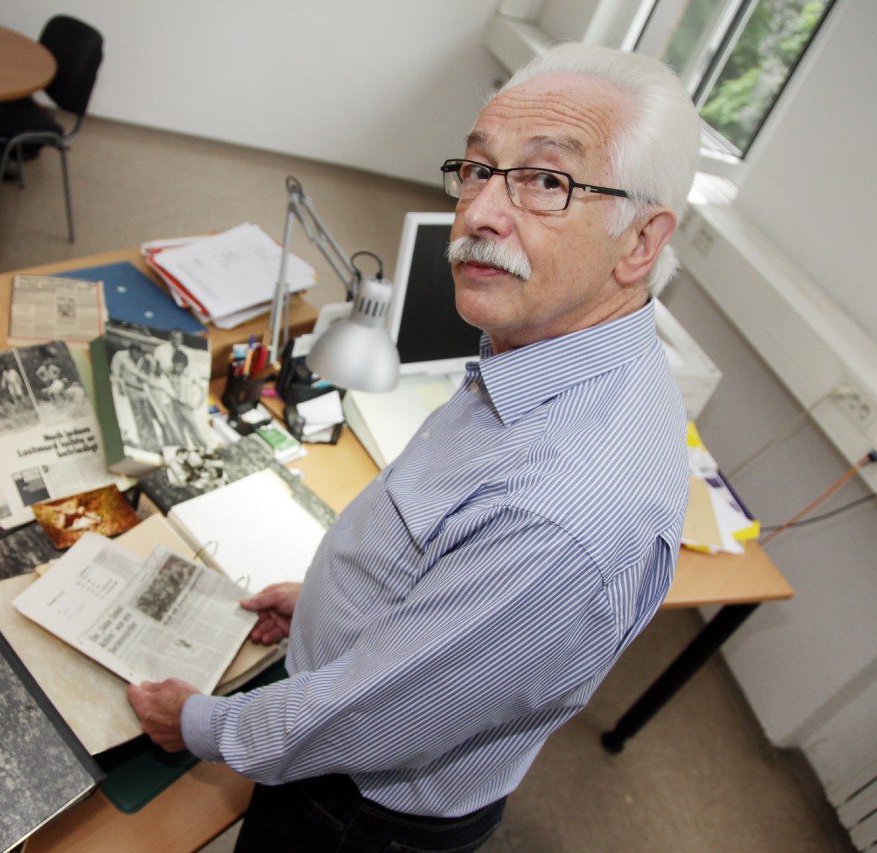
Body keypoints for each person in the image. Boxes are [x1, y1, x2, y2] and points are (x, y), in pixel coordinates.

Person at [128, 42, 700, 852]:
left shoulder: (565, 517)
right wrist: (336, 605)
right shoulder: (542, 345)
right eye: (476, 169)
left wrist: (192, 721)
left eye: (545, 181)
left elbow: (364, 720)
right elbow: (439, 544)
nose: (480, 215)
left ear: (641, 242)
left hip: (359, 814)